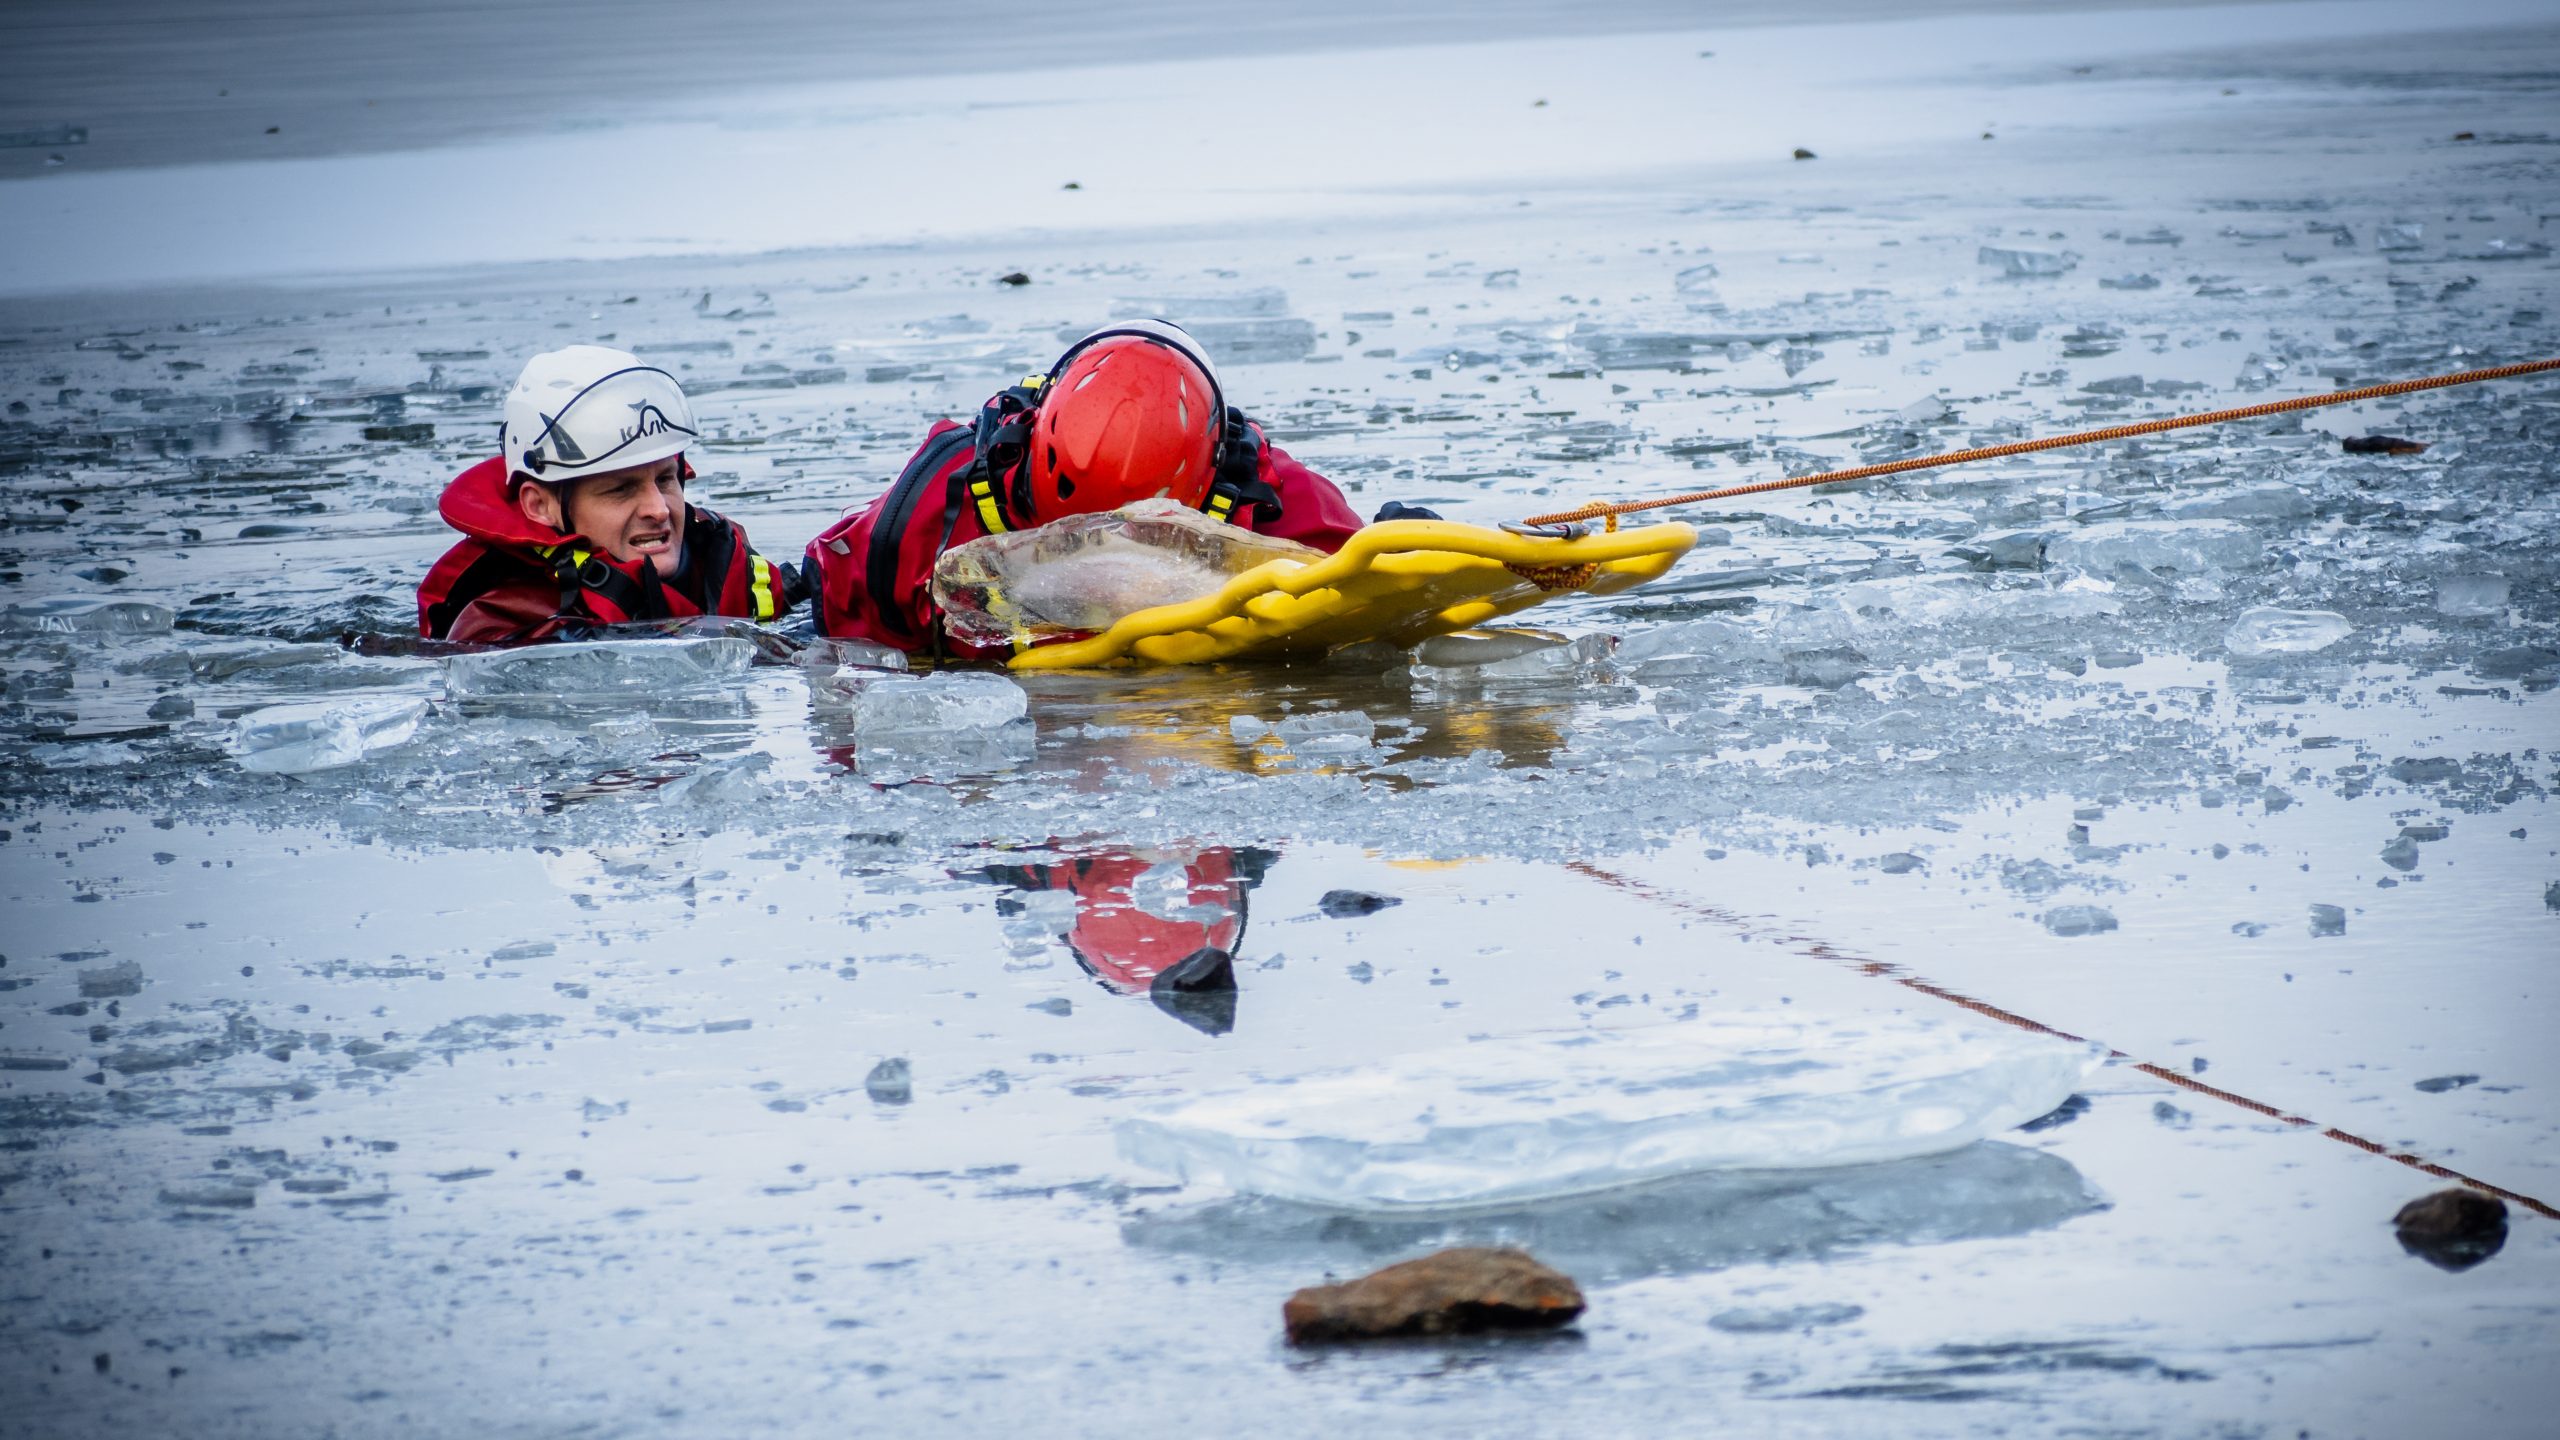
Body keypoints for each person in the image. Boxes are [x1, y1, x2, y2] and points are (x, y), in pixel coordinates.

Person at [804, 320, 1370, 660]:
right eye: (1067, 537)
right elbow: (838, 619)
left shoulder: (1273, 504)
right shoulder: (922, 519)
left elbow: (1377, 592)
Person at [417, 345, 806, 645]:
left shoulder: (716, 558)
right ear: (540, 506)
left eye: (666, 480)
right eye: (620, 489)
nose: (658, 509)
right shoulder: (504, 626)